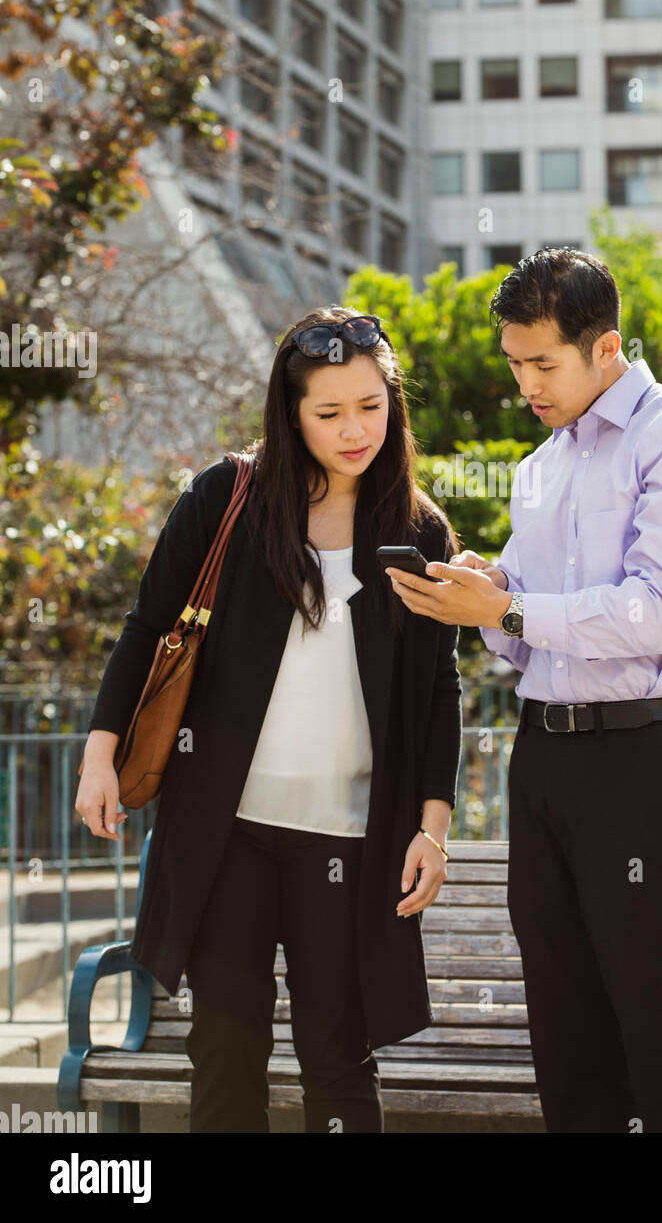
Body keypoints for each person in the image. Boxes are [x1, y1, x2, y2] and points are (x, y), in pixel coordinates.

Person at [385, 249, 662, 1133]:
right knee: (564, 1027)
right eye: (514, 365)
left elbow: (657, 611)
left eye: (543, 364)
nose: (526, 386)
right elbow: (526, 638)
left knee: (659, 1026)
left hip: (648, 756)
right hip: (544, 757)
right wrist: (480, 593)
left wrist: (510, 608)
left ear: (606, 347)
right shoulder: (540, 468)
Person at [75, 308, 463, 1133]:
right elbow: (147, 627)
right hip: (231, 832)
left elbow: (439, 689)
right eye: (328, 413)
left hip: (350, 840)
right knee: (224, 1046)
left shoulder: (416, 529)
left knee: (337, 1058)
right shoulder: (227, 498)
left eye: (370, 405)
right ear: (290, 415)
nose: (354, 430)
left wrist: (433, 826)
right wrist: (99, 756)